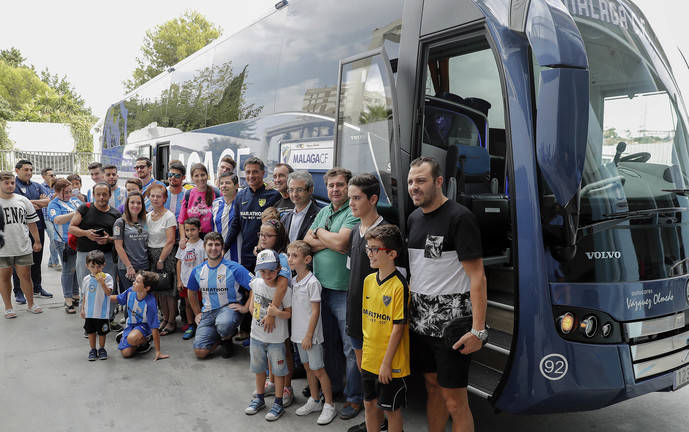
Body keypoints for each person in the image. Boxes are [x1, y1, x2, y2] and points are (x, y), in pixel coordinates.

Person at [406, 157, 487, 432]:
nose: (413, 187)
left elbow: (478, 277)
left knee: (455, 402)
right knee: (432, 389)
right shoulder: (413, 218)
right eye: (410, 181)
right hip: (419, 325)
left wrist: (478, 330)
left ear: (439, 182)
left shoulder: (460, 217)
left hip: (452, 329)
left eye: (421, 180)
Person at [304, 167, 362, 419]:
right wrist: (329, 238)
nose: (335, 190)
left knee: (351, 348)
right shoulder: (324, 211)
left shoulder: (354, 211)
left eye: (340, 185)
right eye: (331, 185)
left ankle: (354, 397)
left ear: (348, 188)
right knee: (328, 344)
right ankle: (335, 388)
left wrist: (321, 235)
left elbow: (343, 243)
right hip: (320, 290)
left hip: (344, 291)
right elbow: (307, 243)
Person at [345, 173, 392, 432]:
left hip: (376, 320)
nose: (351, 203)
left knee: (380, 377)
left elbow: (396, 282)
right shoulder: (355, 230)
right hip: (355, 316)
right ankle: (373, 421)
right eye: (350, 197)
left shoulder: (386, 234)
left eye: (356, 198)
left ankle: (384, 423)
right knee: (366, 375)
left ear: (373, 199)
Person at [360, 225, 409, 432]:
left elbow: (398, 329)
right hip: (369, 358)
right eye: (368, 249)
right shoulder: (369, 280)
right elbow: (367, 322)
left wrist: (386, 364)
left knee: (391, 410)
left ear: (392, 254)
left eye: (374, 249)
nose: (369, 254)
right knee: (370, 405)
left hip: (390, 363)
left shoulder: (399, 286)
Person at [288, 241, 337, 425]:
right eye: (289, 255)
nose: (290, 259)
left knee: (318, 369)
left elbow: (315, 312)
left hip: (311, 337)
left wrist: (309, 335)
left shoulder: (313, 282)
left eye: (295, 256)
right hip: (298, 335)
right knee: (308, 367)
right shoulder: (294, 281)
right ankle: (315, 400)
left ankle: (329, 405)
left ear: (307, 259)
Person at [240, 249, 292, 422]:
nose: (267, 274)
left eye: (271, 270)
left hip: (276, 339)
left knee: (278, 371)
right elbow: (251, 303)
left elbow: (289, 314)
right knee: (259, 369)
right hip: (256, 336)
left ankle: (278, 403)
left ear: (278, 269)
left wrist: (276, 312)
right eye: (263, 271)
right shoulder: (257, 283)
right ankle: (260, 398)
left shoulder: (284, 290)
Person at [186, 232, 253, 359]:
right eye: (210, 244)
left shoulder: (234, 268)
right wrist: (197, 313)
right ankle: (219, 339)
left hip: (228, 309)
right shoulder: (198, 270)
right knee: (200, 352)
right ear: (204, 247)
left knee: (224, 324)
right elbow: (191, 291)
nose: (213, 248)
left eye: (217, 245)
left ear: (222, 247)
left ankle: (227, 337)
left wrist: (245, 307)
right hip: (208, 313)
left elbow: (255, 286)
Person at [68, 182, 122, 330]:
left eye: (105, 194)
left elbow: (119, 236)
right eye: (98, 194)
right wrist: (87, 233)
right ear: (93, 195)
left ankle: (109, 318)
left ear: (110, 195)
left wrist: (108, 239)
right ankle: (89, 322)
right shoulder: (84, 208)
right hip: (85, 255)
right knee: (86, 287)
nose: (101, 197)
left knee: (108, 287)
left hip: (107, 256)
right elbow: (72, 227)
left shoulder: (116, 214)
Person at [254, 218, 294, 406]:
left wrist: (272, 312)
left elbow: (283, 284)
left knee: (282, 349)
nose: (263, 238)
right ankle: (271, 382)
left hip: (277, 312)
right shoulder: (262, 253)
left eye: (268, 235)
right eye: (261, 234)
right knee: (268, 347)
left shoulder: (282, 257)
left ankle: (286, 387)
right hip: (262, 316)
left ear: (278, 238)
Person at [225, 157, 281, 271]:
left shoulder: (274, 195)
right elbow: (235, 225)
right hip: (246, 254)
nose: (251, 176)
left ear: (263, 173)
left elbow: (279, 228)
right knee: (247, 287)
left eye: (255, 172)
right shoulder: (240, 196)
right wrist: (224, 248)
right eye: (248, 172)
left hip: (267, 254)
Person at [0, 171, 43, 318]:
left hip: (22, 246)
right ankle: (8, 307)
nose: (10, 185)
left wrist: (37, 241)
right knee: (4, 278)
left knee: (25, 276)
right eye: (6, 183)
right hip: (2, 249)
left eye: (12, 182)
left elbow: (32, 223)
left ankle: (31, 304)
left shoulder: (23, 200)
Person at [13, 159, 52, 302]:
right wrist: (36, 203)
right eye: (25, 170)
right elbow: (18, 203)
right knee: (20, 262)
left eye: (31, 169)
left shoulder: (36, 186)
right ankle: (19, 292)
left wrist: (29, 202)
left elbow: (48, 202)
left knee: (37, 259)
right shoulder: (13, 185)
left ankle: (37, 287)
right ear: (17, 171)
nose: (29, 172)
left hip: (38, 227)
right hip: (20, 229)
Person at [111, 271, 169, 360]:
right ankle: (134, 338)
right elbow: (118, 298)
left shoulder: (150, 303)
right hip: (131, 324)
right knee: (126, 353)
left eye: (137, 281)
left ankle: (146, 340)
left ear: (147, 288)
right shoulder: (130, 291)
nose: (133, 282)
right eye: (135, 280)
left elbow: (154, 327)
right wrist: (103, 298)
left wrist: (158, 351)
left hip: (144, 326)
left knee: (131, 339)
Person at [146, 183, 178, 335]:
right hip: (151, 255)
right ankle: (164, 318)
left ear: (165, 198)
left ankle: (172, 321)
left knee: (169, 291)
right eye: (153, 195)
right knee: (159, 290)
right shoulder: (147, 216)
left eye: (159, 196)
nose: (155, 198)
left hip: (166, 255)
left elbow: (171, 240)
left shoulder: (169, 216)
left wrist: (161, 260)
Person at [47, 179, 82, 313]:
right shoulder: (53, 204)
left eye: (70, 191)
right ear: (56, 192)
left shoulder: (75, 201)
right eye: (65, 192)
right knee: (68, 269)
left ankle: (75, 294)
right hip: (63, 241)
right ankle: (68, 298)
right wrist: (76, 213)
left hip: (78, 240)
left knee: (77, 268)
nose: (68, 194)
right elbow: (57, 220)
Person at [113, 192, 149, 301]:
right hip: (127, 268)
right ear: (127, 205)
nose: (135, 205)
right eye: (132, 202)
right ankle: (128, 318)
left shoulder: (145, 220)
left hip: (144, 266)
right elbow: (118, 247)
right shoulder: (120, 222)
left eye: (139, 203)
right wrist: (129, 267)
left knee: (143, 297)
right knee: (130, 297)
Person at [175, 218, 206, 340]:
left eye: (193, 229)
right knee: (187, 304)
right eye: (187, 230)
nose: (189, 232)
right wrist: (179, 280)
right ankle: (190, 324)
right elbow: (179, 262)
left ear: (199, 229)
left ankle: (202, 325)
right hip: (185, 281)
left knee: (200, 304)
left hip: (199, 283)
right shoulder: (183, 246)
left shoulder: (203, 245)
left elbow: (205, 263)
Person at [80, 250, 114, 361]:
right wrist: (83, 309)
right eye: (92, 266)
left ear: (104, 265)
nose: (96, 269)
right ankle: (93, 349)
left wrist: (102, 283)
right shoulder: (86, 279)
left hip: (102, 312)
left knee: (102, 332)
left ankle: (102, 348)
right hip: (90, 312)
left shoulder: (107, 277)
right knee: (90, 332)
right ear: (87, 266)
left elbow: (108, 293)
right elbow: (85, 295)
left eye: (98, 266)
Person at [178, 163, 220, 244]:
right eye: (196, 176)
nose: (200, 178)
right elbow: (181, 221)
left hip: (212, 239)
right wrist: (183, 238)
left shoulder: (216, 193)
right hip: (193, 239)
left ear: (207, 176)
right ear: (192, 178)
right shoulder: (188, 194)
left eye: (203, 175)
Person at [281, 171, 321, 243]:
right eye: (291, 190)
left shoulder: (320, 216)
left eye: (299, 190)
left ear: (310, 190)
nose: (294, 194)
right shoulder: (285, 218)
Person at [212, 172, 239, 261]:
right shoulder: (215, 203)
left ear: (236, 186)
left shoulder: (243, 203)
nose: (224, 186)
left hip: (238, 254)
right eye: (222, 183)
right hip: (218, 253)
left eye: (227, 183)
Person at [40, 167, 60, 270]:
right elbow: (45, 202)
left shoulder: (57, 186)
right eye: (51, 175)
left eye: (54, 175)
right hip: (47, 217)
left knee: (56, 238)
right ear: (44, 177)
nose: (54, 177)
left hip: (57, 217)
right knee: (53, 238)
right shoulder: (40, 187)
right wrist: (52, 197)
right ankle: (55, 263)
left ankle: (51, 261)